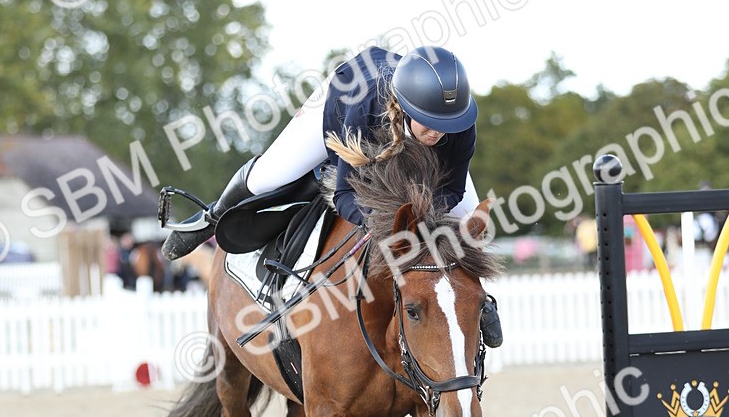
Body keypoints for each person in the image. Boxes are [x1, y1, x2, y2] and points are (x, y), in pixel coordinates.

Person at [161, 45, 502, 345]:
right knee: (268, 177)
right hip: (343, 100)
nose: (438, 133)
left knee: (471, 227)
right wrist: (386, 223)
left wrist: (424, 220)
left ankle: (480, 301)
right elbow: (343, 194)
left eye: (446, 124)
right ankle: (210, 217)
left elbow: (452, 190)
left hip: (400, 94)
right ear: (405, 108)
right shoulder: (366, 109)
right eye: (428, 122)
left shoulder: (457, 122)